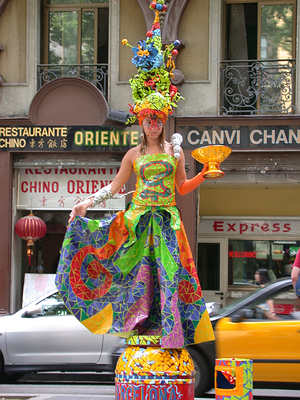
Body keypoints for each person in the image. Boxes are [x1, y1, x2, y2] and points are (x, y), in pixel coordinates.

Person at [55, 1, 215, 349]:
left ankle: (169, 330)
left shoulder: (176, 152)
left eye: (158, 119)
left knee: (169, 273)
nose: (153, 124)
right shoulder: (133, 154)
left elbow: (183, 189)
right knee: (133, 273)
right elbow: (115, 187)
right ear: (141, 121)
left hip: (169, 221)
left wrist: (203, 173)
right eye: (148, 119)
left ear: (163, 120)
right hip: (138, 220)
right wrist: (87, 203)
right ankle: (138, 323)